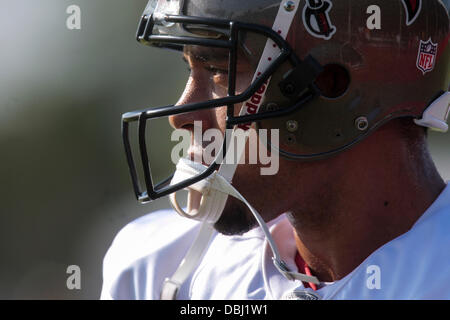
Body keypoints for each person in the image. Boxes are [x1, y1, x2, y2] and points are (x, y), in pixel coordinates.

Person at [101, 0, 450, 300]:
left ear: (331, 86)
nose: (181, 115)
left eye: (220, 70)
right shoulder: (159, 267)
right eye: (190, 68)